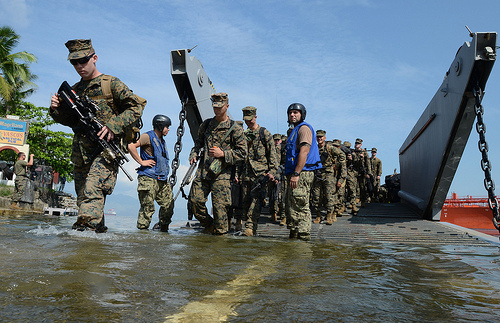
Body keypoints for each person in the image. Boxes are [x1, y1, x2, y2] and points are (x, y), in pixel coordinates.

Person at [50, 39, 146, 232]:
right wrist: (55, 109)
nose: (79, 66)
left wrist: (113, 126)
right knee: (84, 200)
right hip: (82, 152)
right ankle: (97, 244)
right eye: (74, 62)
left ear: (94, 58)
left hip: (106, 150)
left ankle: (81, 235)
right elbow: (69, 120)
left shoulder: (110, 84)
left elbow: (137, 106)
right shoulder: (75, 89)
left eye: (83, 60)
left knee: (93, 190)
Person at [188, 92, 247, 235]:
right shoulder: (206, 125)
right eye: (214, 106)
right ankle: (209, 225)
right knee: (195, 202)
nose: (216, 109)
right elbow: (198, 144)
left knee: (220, 211)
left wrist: (223, 154)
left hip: (222, 175)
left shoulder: (235, 129)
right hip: (204, 172)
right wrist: (194, 154)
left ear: (227, 106)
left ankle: (220, 247)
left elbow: (243, 153)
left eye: (220, 107)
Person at [128, 115, 174, 232]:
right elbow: (131, 146)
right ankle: (142, 237)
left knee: (168, 205)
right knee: (147, 209)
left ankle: (164, 231)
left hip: (161, 179)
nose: (168, 129)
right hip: (148, 179)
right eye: (167, 127)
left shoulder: (162, 141)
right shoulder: (147, 137)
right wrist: (141, 162)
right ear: (160, 126)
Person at [238, 106, 278, 237]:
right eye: (246, 120)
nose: (248, 122)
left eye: (250, 119)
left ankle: (250, 227)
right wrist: (238, 174)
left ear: (255, 117)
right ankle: (247, 225)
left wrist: (272, 171)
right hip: (246, 174)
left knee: (255, 202)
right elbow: (240, 156)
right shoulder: (244, 135)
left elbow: (272, 154)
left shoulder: (264, 133)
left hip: (260, 174)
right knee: (246, 202)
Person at [284, 103, 322, 241]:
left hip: (301, 173)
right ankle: (294, 234)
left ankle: (303, 236)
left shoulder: (304, 129)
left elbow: (304, 152)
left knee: (300, 204)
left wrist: (296, 174)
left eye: (296, 112)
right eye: (290, 113)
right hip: (295, 173)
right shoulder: (294, 130)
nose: (292, 115)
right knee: (291, 204)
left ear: (302, 114)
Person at [351, 138, 372, 209]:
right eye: (356, 143)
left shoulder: (364, 152)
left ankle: (363, 200)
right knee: (353, 187)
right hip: (354, 171)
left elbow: (368, 163)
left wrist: (368, 173)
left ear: (361, 145)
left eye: (358, 144)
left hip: (362, 171)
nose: (357, 145)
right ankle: (353, 202)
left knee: (362, 187)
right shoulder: (353, 152)